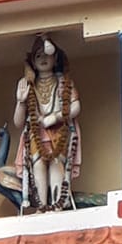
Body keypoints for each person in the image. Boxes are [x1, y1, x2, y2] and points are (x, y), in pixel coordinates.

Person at [11, 34, 80, 211]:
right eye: (38, 56)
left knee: (57, 166)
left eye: (46, 54)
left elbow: (75, 107)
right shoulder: (28, 85)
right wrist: (20, 101)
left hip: (59, 133)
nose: (43, 59)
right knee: (38, 166)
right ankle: (41, 207)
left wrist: (55, 117)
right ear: (33, 62)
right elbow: (18, 122)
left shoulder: (64, 82)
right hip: (36, 134)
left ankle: (57, 206)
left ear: (55, 57)